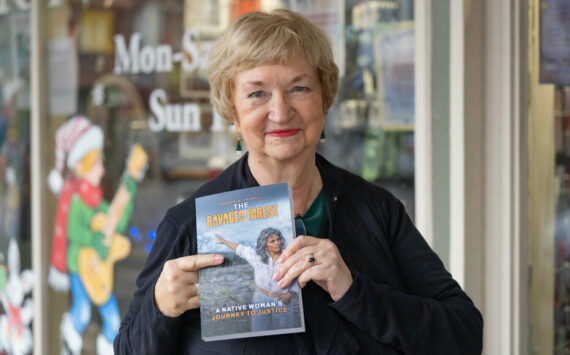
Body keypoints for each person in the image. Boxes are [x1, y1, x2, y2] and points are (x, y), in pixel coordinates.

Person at [115, 9, 483, 354]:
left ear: (324, 97)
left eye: (299, 88)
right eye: (258, 93)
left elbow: (464, 333)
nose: (280, 110)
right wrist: (159, 307)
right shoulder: (189, 226)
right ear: (233, 110)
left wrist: (353, 291)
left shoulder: (376, 209)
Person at [215, 228, 299, 331]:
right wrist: (224, 241)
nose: (277, 243)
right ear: (265, 245)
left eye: (278, 239)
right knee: (258, 330)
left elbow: (297, 274)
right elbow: (240, 249)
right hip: (260, 298)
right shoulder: (257, 256)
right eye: (273, 241)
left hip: (282, 299)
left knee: (285, 331)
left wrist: (290, 293)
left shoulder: (288, 255)